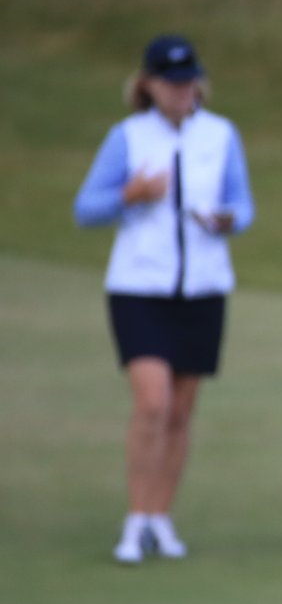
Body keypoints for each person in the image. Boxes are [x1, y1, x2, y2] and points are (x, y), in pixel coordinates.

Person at [73, 34, 255, 564]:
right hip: (139, 286)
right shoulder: (128, 138)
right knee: (151, 402)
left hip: (202, 286)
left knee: (180, 409)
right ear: (149, 85)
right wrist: (131, 194)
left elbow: (242, 205)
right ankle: (135, 520)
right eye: (172, 82)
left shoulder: (220, 135)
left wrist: (228, 220)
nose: (182, 91)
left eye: (189, 80)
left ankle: (161, 516)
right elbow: (87, 208)